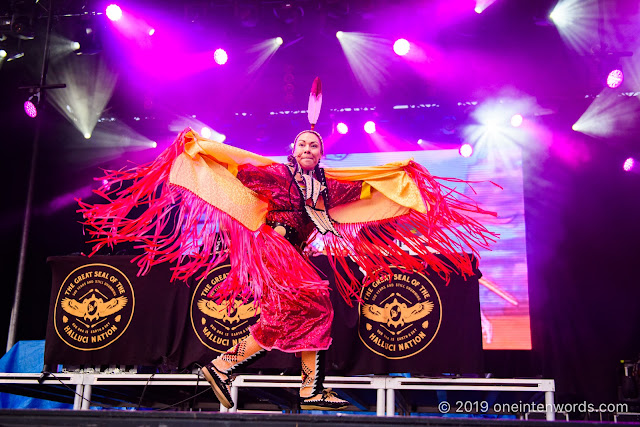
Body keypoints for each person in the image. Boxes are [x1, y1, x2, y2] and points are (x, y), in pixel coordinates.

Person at [77, 78, 498, 412]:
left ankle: (229, 368)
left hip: (292, 253)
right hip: (270, 244)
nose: (309, 148)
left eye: (315, 144)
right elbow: (241, 171)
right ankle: (300, 387)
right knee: (316, 300)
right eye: (302, 144)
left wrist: (399, 176)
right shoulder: (278, 176)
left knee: (296, 317)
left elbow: (366, 188)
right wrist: (203, 150)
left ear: (322, 151)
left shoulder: (330, 188)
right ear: (292, 150)